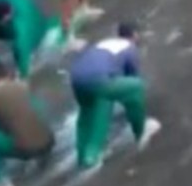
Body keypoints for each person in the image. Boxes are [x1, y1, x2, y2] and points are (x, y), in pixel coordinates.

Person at [68, 21, 159, 169]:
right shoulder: (129, 48)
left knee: (87, 114)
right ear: (134, 36)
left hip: (76, 78)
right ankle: (141, 131)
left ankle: (85, 157)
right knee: (135, 87)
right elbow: (132, 78)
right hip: (98, 80)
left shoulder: (103, 43)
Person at [0, 62, 55, 185]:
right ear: (8, 75)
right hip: (49, 142)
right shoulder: (24, 86)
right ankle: (43, 155)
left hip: (26, 150)